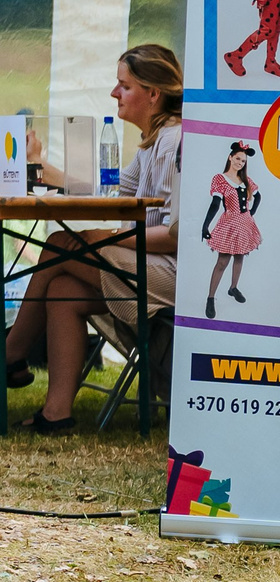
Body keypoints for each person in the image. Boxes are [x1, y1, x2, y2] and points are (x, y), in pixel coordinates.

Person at [3, 45, 183, 432]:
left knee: (60, 245)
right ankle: (56, 415)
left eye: (124, 85)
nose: (114, 94)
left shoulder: (175, 142)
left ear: (154, 93)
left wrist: (112, 239)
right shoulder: (154, 142)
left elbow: (176, 235)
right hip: (148, 265)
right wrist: (40, 167)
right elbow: (110, 196)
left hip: (174, 275)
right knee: (62, 288)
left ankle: (10, 353)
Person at [200, 140, 262, 318]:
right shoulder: (220, 179)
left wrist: (251, 214)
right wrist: (206, 225)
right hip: (229, 223)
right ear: (230, 157)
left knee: (240, 256)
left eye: (243, 161)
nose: (240, 163)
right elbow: (215, 204)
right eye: (237, 159)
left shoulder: (245, 180)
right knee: (222, 261)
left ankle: (233, 288)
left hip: (245, 224)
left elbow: (258, 196)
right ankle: (211, 298)